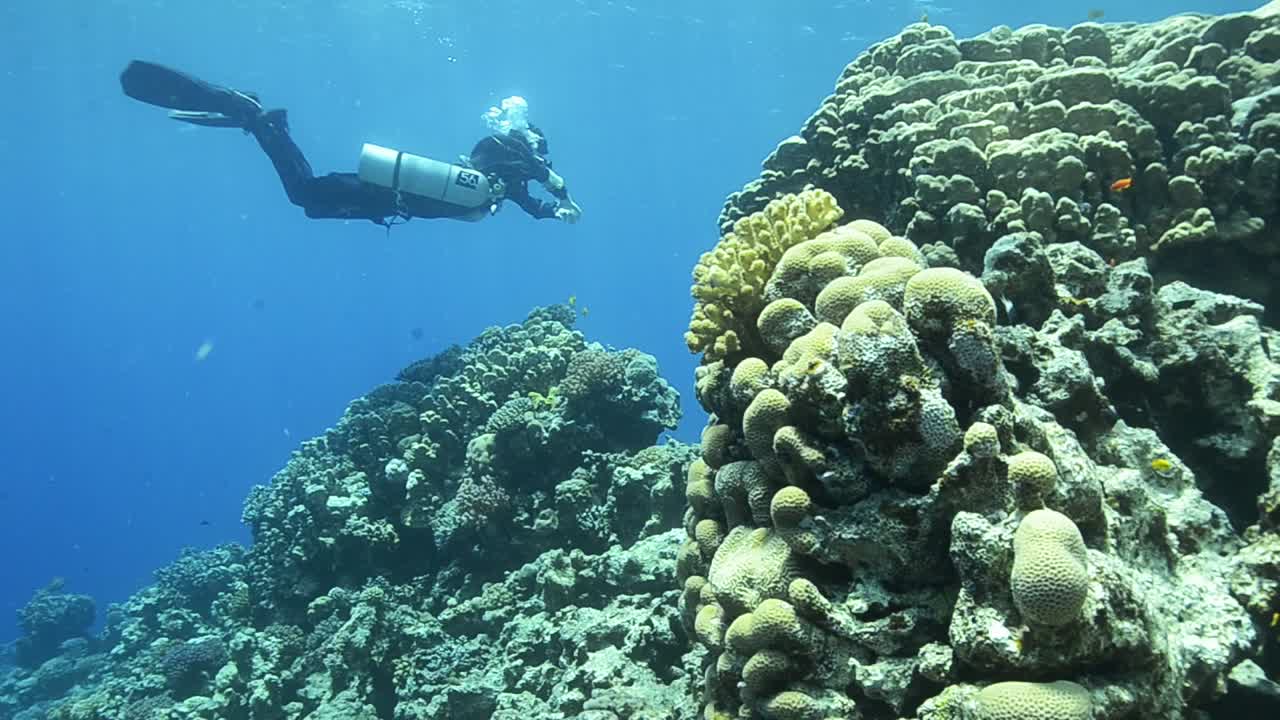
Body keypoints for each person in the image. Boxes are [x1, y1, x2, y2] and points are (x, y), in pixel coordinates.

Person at [118, 60, 582, 227]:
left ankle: (262, 123)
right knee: (306, 196)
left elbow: (526, 201)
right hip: (392, 194)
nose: (540, 155)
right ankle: (255, 118)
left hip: (393, 201)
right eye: (538, 147)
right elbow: (540, 175)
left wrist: (552, 212)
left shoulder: (504, 180)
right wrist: (565, 194)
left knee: (311, 203)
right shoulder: (505, 152)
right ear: (527, 141)